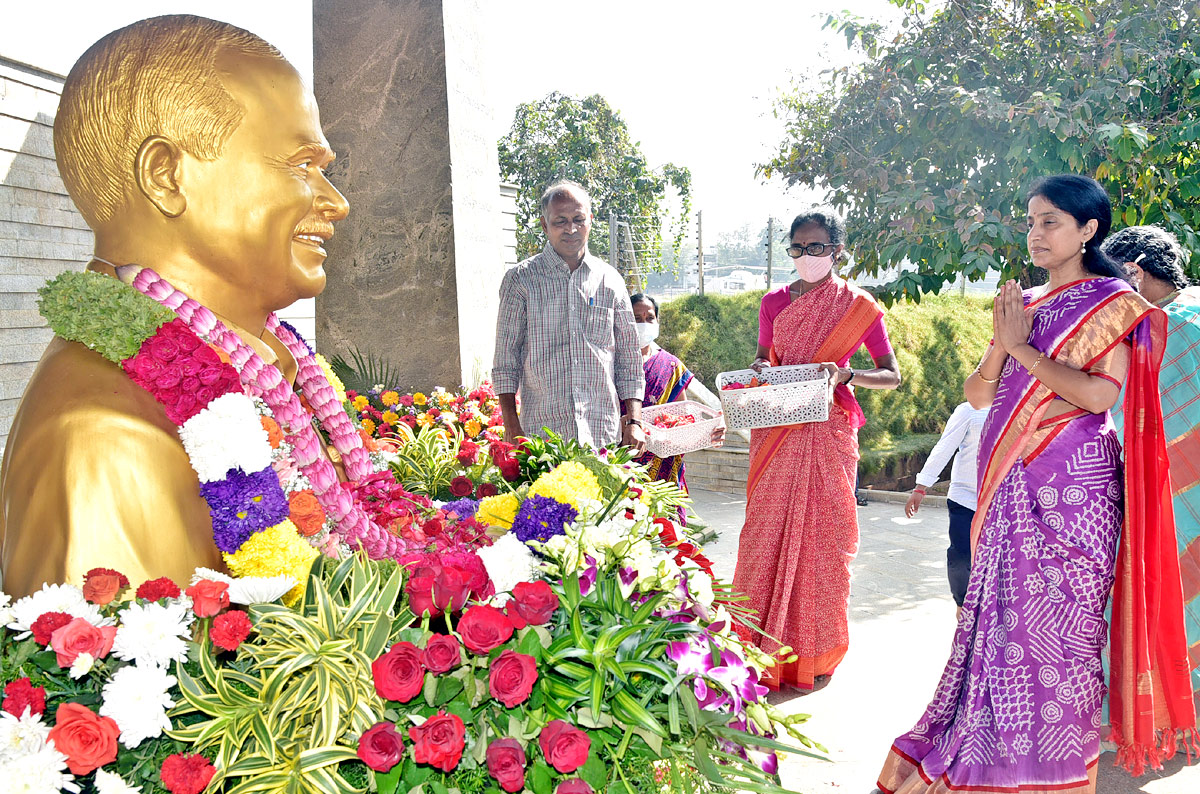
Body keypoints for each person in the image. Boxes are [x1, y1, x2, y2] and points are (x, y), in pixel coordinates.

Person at [0, 15, 351, 596]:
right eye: (300, 165)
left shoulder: (269, 363)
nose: (334, 202)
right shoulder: (109, 439)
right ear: (166, 176)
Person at [878, 176, 1195, 794]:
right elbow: (976, 395)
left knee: (1059, 634)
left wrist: (1022, 350)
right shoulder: (1021, 300)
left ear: (1087, 230)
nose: (1036, 233)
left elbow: (1100, 394)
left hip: (1075, 491)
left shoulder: (1112, 302)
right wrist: (1004, 343)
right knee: (999, 627)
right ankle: (992, 761)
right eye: (1031, 222)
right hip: (1009, 481)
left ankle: (1051, 770)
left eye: (1051, 221)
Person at [732, 205, 901, 692]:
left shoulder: (859, 306)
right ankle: (754, 648)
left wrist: (848, 374)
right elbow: (764, 360)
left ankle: (814, 652)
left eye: (817, 248)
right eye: (799, 249)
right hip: (777, 424)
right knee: (765, 532)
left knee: (825, 538)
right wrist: (761, 371)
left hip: (829, 429)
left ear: (837, 251)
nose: (807, 256)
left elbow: (891, 376)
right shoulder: (773, 302)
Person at [1103, 225, 1200, 707]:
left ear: (1133, 272)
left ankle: (1161, 702)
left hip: (1171, 491)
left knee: (1162, 588)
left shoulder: (1157, 329)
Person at [492, 181, 645, 452]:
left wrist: (634, 420)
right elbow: (506, 361)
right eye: (560, 221)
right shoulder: (521, 280)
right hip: (542, 437)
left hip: (602, 434)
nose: (571, 229)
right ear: (544, 225)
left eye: (578, 219)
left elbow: (628, 358)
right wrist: (511, 425)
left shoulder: (610, 280)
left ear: (591, 220)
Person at [629, 293, 724, 510]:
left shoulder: (670, 365)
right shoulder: (612, 362)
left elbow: (682, 417)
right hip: (623, 464)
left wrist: (708, 431)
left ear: (657, 321)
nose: (644, 324)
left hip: (664, 470)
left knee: (667, 533)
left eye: (649, 318)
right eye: (636, 318)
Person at [905, 401, 988, 610]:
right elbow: (945, 446)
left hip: (1002, 500)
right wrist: (920, 487)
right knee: (961, 557)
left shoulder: (1016, 405)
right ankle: (962, 604)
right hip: (965, 498)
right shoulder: (969, 410)